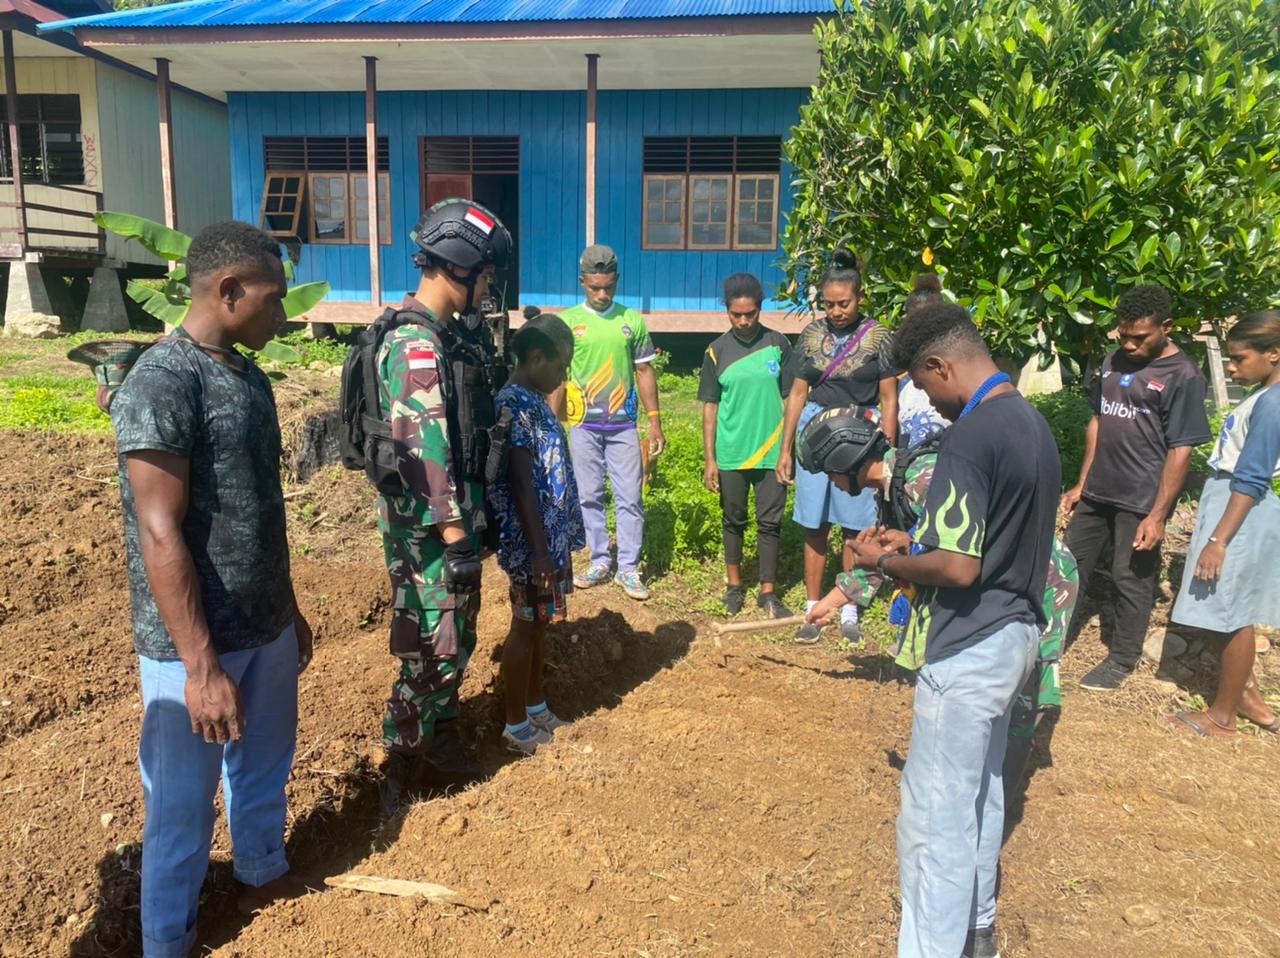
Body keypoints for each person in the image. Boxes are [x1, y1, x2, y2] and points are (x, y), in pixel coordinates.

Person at [813, 302, 1059, 958]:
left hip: (969, 646)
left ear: (939, 365)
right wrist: (913, 543)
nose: (927, 398)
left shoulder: (970, 436)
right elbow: (990, 538)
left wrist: (883, 561)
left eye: (922, 383)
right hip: (1015, 635)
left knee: (932, 825)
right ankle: (977, 931)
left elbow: (957, 565)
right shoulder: (1031, 423)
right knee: (981, 796)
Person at [109, 222, 314, 957]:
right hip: (193, 648)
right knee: (182, 807)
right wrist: (200, 668)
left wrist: (287, 611)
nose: (283, 314)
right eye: (273, 298)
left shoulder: (250, 378)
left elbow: (257, 507)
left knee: (263, 771)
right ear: (229, 290)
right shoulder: (163, 381)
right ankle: (168, 939)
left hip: (265, 626)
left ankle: (262, 873)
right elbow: (159, 529)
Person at [799, 406, 1078, 804]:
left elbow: (970, 546)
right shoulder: (892, 489)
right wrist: (830, 603)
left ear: (844, 459)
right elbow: (886, 561)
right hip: (997, 579)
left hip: (1039, 578)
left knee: (1022, 700)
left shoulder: (923, 478)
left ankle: (998, 806)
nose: (831, 481)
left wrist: (905, 549)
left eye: (829, 472)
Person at [374, 199, 513, 816]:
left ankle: (444, 740)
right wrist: (456, 538)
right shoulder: (415, 346)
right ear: (458, 265)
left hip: (453, 521)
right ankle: (401, 771)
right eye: (485, 274)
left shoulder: (447, 336)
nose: (487, 287)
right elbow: (422, 451)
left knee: (458, 635)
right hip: (431, 530)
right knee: (433, 645)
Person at [1062, 284, 1212, 691]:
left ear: (1166, 327)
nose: (1129, 345)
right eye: (1123, 335)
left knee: (1130, 577)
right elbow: (1099, 420)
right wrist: (1082, 482)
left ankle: (1122, 659)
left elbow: (1181, 449)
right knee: (1069, 566)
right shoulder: (1113, 360)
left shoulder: (1183, 375)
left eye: (1140, 337)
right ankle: (1049, 640)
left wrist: (1158, 515)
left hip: (1141, 498)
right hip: (1098, 491)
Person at [777, 247, 898, 644]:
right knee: (814, 524)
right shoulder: (811, 335)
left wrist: (889, 452)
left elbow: (889, 398)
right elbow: (797, 393)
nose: (836, 311)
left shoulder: (880, 338)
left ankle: (847, 609)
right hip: (816, 436)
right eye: (829, 304)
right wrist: (785, 449)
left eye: (843, 303)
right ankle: (813, 607)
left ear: (859, 297)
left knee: (855, 526)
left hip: (861, 438)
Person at [1167, 311, 1280, 737]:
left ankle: (1222, 717)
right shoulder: (1264, 395)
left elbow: (1251, 478)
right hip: (1230, 504)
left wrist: (1218, 540)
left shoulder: (1273, 403)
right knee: (1220, 607)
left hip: (1239, 510)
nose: (1232, 367)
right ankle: (1249, 700)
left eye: (1239, 358)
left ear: (1273, 354)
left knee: (1232, 614)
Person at [487, 308, 586, 754]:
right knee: (525, 627)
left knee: (540, 624)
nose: (564, 375)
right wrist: (540, 551)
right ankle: (515, 725)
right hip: (532, 545)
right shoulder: (512, 404)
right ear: (535, 358)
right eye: (561, 366)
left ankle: (536, 706)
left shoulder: (534, 401)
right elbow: (522, 482)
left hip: (548, 540)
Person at [557, 244, 664, 601]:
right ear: (582, 283)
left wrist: (655, 421)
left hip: (623, 426)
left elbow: (644, 371)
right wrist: (554, 420)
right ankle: (600, 560)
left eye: (609, 287)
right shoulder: (568, 323)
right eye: (595, 288)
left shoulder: (631, 320)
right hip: (583, 425)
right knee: (589, 495)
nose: (602, 295)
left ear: (616, 281)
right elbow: (558, 375)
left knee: (630, 496)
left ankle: (629, 568)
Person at [698, 273, 794, 618]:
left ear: (759, 309)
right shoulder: (716, 351)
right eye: (736, 314)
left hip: (771, 452)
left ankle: (768, 592)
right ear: (727, 310)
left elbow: (792, 398)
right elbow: (710, 407)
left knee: (770, 523)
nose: (743, 321)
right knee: (733, 519)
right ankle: (734, 587)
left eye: (749, 314)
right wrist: (710, 458)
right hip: (732, 452)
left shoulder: (778, 344)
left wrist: (787, 450)